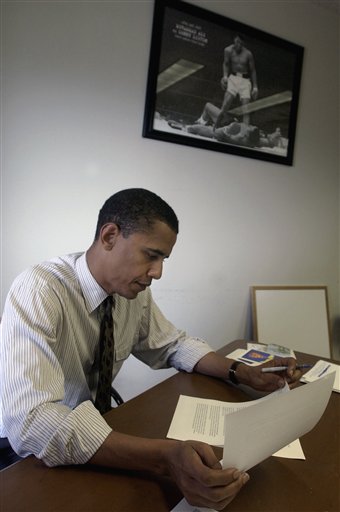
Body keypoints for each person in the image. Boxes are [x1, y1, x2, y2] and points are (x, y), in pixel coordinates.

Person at [0, 188, 300, 510]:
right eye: (151, 255)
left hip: (99, 432)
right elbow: (32, 422)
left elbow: (173, 343)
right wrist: (164, 459)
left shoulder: (133, 294)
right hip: (27, 455)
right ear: (110, 235)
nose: (157, 273)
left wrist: (240, 372)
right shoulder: (40, 290)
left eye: (163, 260)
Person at [210, 34, 258, 128]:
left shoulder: (248, 54)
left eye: (240, 43)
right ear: (234, 41)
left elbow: (253, 70)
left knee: (246, 108)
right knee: (226, 104)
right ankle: (215, 127)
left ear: (243, 43)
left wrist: (255, 87)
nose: (238, 45)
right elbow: (226, 63)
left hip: (245, 80)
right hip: (233, 78)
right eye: (236, 42)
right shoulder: (228, 50)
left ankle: (245, 132)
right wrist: (225, 76)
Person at [169, 102, 261, 149]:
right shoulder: (253, 136)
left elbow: (224, 136)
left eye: (249, 128)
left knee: (199, 127)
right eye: (250, 126)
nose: (250, 127)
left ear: (246, 135)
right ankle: (196, 124)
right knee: (208, 106)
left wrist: (185, 127)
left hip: (224, 129)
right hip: (228, 122)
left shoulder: (240, 138)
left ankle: (191, 126)